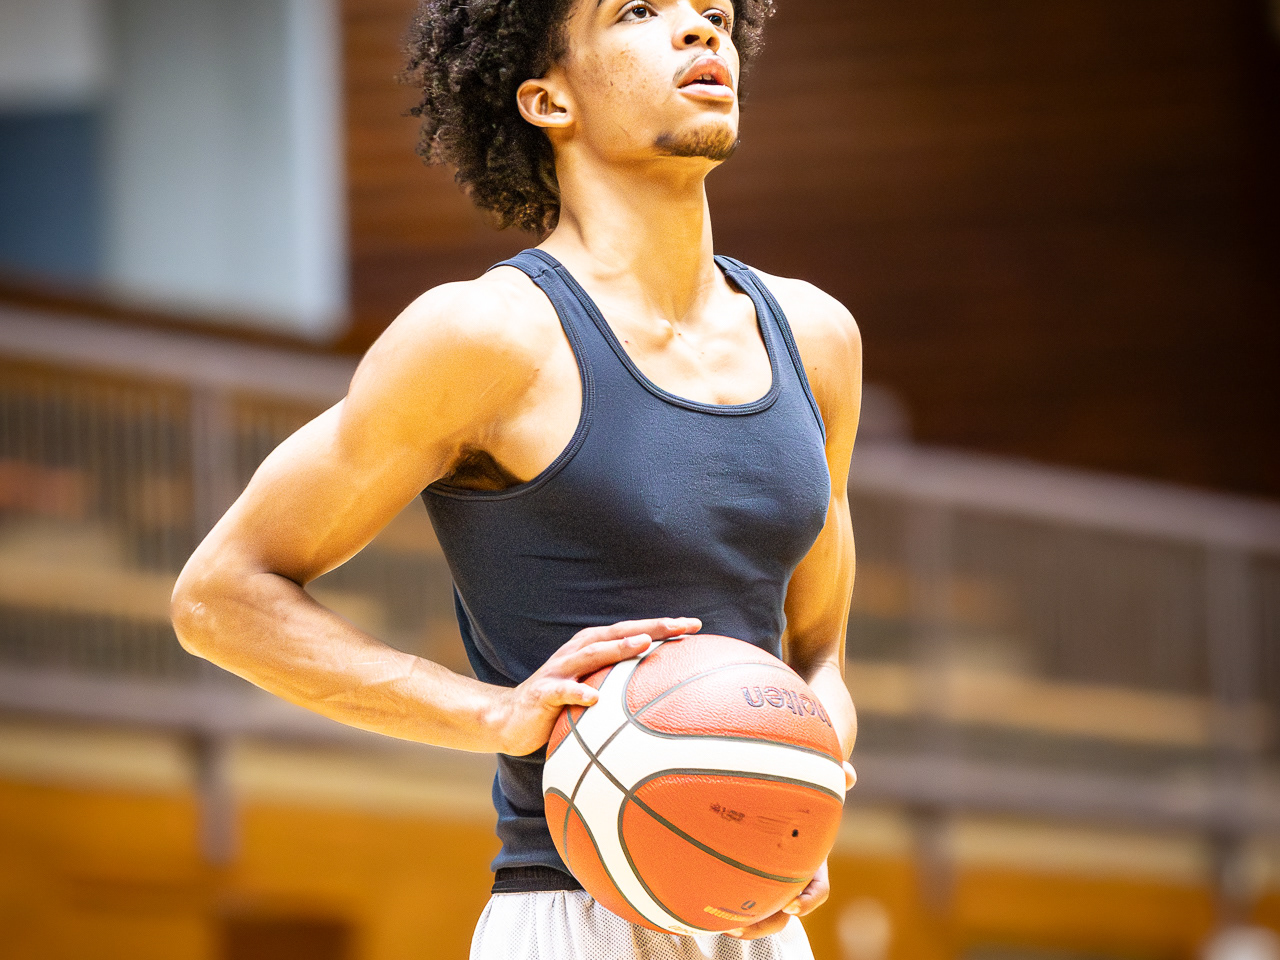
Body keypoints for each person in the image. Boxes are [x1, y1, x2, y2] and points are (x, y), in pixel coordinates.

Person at [171, 0, 861, 956]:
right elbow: (217, 597)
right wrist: (490, 714)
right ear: (547, 99)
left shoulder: (818, 338)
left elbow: (818, 655)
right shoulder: (483, 337)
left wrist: (803, 784)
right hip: (569, 916)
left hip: (761, 925)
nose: (701, 30)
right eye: (639, 10)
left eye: (714, 12)